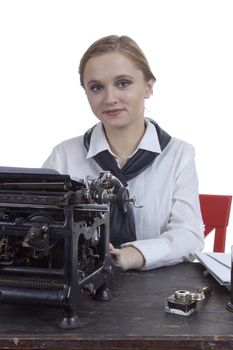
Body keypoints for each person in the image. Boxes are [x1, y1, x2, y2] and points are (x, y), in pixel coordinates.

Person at [43, 35, 204, 271]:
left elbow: (189, 235)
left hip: (154, 291)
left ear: (148, 87)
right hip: (79, 284)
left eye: (123, 83)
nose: (110, 99)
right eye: (97, 87)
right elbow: (39, 222)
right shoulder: (64, 155)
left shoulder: (179, 155)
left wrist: (136, 253)